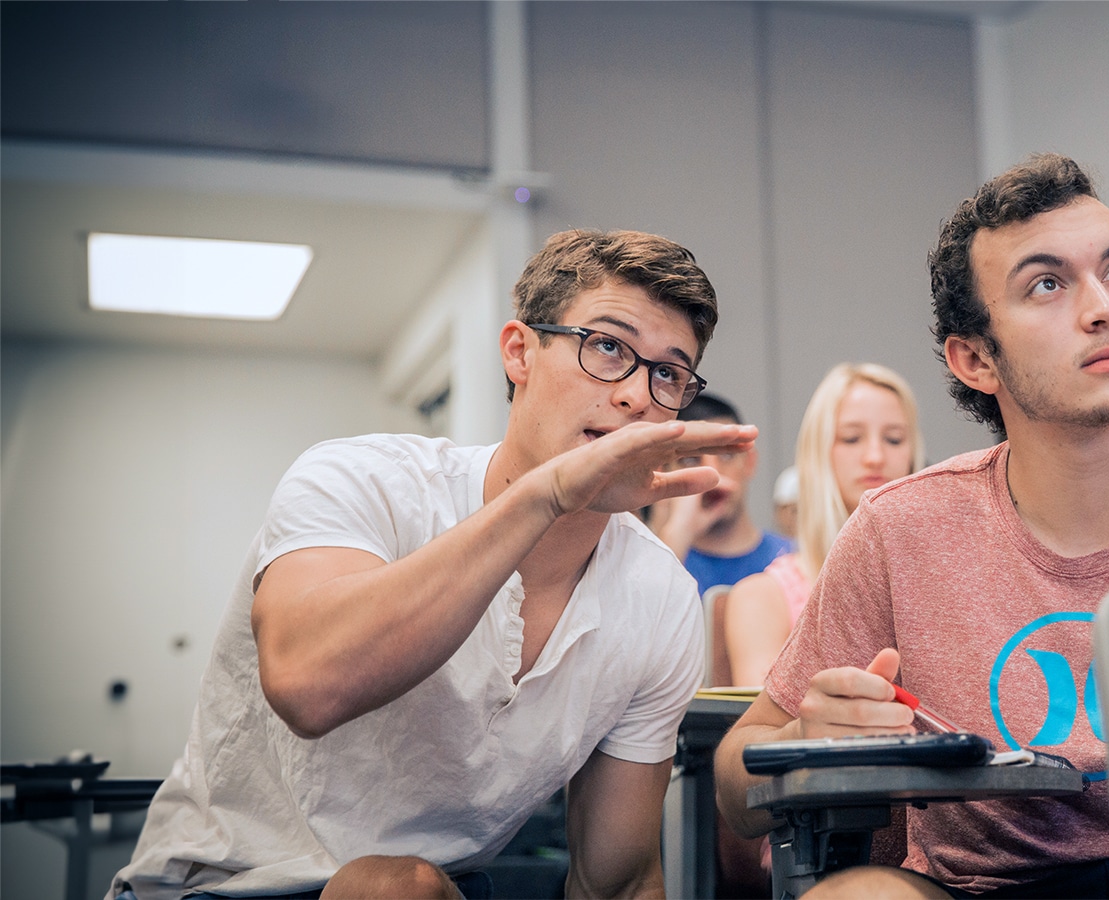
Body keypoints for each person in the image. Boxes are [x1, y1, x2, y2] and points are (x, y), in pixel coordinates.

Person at [111, 229, 759, 900]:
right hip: (214, 885)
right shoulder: (361, 480)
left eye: (668, 373)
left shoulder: (658, 595)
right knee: (393, 888)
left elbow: (618, 883)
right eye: (606, 347)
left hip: (438, 891)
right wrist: (549, 496)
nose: (635, 395)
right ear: (519, 353)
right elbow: (308, 685)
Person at [714, 153, 1109, 899]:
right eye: (1048, 284)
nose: (1105, 306)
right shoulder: (903, 529)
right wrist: (801, 740)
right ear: (975, 358)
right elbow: (734, 778)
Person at [723, 362, 925, 688]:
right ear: (818, 452)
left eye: (894, 439)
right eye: (851, 438)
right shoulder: (761, 599)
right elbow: (766, 733)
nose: (875, 456)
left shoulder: (939, 585)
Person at [648, 392, 792, 594]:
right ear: (664, 472)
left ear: (749, 462)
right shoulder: (648, 565)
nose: (713, 473)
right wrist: (677, 533)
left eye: (726, 455)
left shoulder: (794, 560)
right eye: (690, 459)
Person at [771, 465, 800, 540]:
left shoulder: (823, 549)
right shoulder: (773, 549)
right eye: (782, 510)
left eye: (794, 511)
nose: (787, 518)